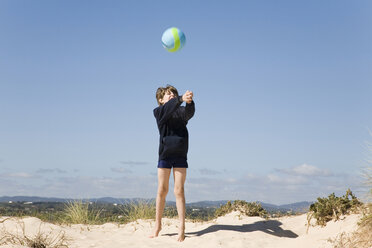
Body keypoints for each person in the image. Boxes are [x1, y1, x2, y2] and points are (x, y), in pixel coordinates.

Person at [149, 85, 195, 242]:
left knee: (179, 191)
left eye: (173, 93)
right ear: (160, 100)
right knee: (162, 190)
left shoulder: (180, 112)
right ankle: (157, 225)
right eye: (168, 94)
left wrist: (189, 102)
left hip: (180, 154)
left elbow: (189, 113)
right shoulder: (159, 112)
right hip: (165, 155)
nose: (172, 95)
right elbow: (169, 108)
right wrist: (180, 98)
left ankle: (181, 227)